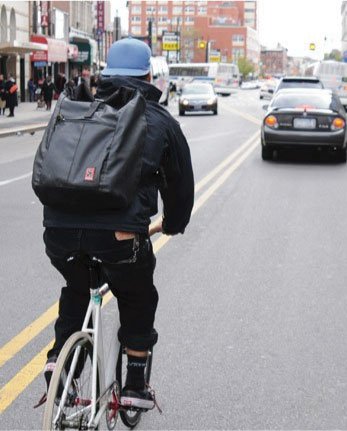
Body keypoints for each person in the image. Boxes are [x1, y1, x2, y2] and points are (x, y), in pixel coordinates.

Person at [39, 38, 194, 410]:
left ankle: (58, 360)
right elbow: (180, 188)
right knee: (138, 295)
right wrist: (172, 223)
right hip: (120, 239)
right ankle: (135, 386)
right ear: (147, 75)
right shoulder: (159, 121)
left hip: (59, 233)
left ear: (105, 74)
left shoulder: (76, 109)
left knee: (77, 287)